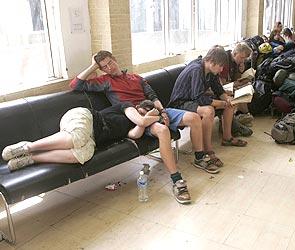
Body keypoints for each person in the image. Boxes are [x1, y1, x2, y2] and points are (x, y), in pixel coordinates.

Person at [69, 51, 219, 204]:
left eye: (110, 63)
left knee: (194, 118)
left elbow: (153, 96)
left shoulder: (136, 78)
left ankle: (199, 157)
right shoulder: (105, 81)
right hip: (138, 117)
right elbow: (76, 85)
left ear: (115, 59)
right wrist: (93, 66)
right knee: (162, 130)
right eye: (104, 67)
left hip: (154, 110)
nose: (109, 68)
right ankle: (177, 180)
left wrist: (163, 112)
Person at [1, 101, 160, 172]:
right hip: (85, 117)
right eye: (142, 112)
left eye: (146, 116)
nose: (143, 117)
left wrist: (145, 120)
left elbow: (136, 134)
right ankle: (27, 146)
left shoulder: (134, 126)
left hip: (92, 138)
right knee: (76, 138)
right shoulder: (127, 106)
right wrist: (152, 116)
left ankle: (32, 157)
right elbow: (140, 120)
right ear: (137, 107)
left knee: (82, 155)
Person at [168, 45, 248, 168]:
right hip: (180, 103)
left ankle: (227, 137)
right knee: (208, 110)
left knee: (229, 104)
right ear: (211, 61)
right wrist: (221, 103)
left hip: (193, 100)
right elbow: (199, 98)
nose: (221, 70)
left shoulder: (210, 70)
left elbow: (218, 88)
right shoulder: (196, 70)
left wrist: (226, 99)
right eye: (220, 66)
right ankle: (207, 149)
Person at [219, 42, 254, 132]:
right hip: (220, 88)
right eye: (241, 58)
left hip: (227, 86)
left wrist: (240, 70)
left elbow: (235, 78)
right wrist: (238, 84)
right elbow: (222, 84)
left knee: (246, 88)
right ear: (235, 53)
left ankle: (245, 115)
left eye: (244, 59)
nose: (242, 61)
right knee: (240, 90)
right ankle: (244, 116)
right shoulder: (225, 60)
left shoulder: (235, 62)